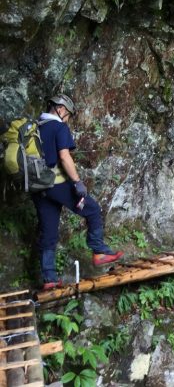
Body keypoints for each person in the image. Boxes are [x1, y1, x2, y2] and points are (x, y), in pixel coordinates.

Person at [33, 94, 123, 290]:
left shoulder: (36, 128)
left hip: (37, 187)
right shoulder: (59, 127)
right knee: (91, 209)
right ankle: (99, 251)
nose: (68, 120)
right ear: (62, 110)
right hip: (55, 184)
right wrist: (77, 182)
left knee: (48, 231)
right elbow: (64, 157)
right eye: (69, 116)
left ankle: (49, 278)